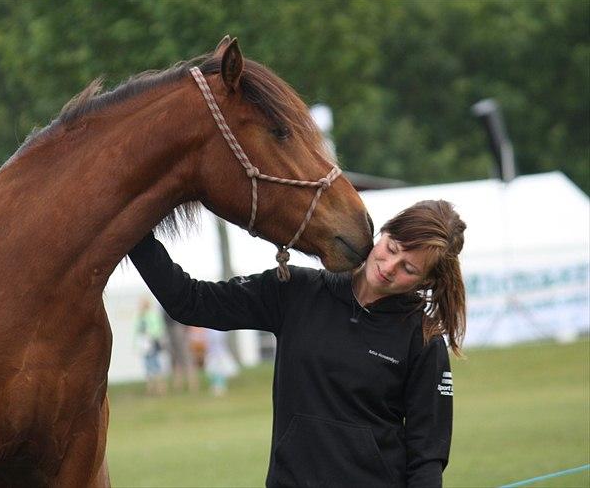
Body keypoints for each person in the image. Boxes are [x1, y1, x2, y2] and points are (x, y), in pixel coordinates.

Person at [129, 200, 466, 487]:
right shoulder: (296, 291)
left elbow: (427, 457)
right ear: (382, 233)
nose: (389, 267)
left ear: (427, 280)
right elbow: (190, 302)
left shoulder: (422, 338)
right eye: (391, 248)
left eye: (408, 268)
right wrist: (132, 227)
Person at [135, 297, 168, 395]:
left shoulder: (152, 315)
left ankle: (161, 388)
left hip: (152, 343)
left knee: (155, 366)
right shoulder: (140, 316)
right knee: (147, 367)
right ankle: (150, 389)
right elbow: (136, 331)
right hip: (144, 345)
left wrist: (151, 335)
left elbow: (158, 329)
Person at [162, 309, 200, 393]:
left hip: (178, 326)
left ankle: (192, 383)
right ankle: (178, 384)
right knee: (176, 357)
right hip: (170, 326)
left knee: (185, 356)